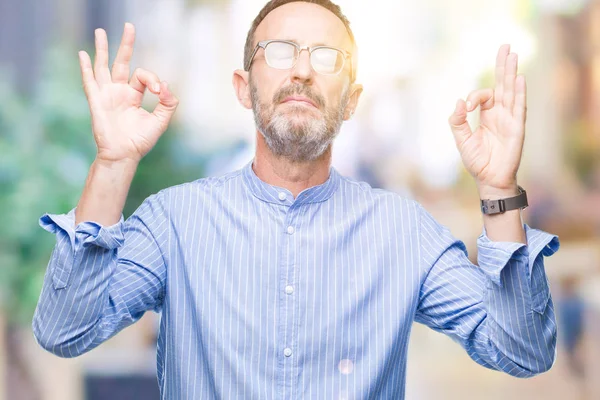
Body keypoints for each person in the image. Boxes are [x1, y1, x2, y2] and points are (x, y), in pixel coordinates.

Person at [32, 0, 560, 398]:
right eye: (280, 52)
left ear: (352, 101)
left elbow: (522, 351)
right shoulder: (175, 221)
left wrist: (497, 190)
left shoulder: (403, 230)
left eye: (326, 57)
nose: (302, 70)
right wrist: (114, 163)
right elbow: (65, 331)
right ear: (244, 87)